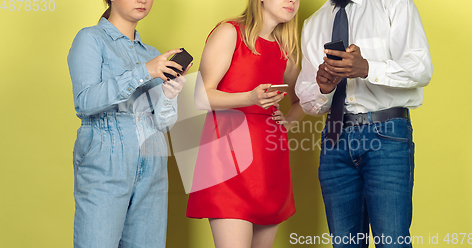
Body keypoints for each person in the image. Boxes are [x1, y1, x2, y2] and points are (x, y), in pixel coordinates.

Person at [295, 0, 433, 247]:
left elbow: (421, 68)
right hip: (335, 139)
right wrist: (324, 89)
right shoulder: (313, 23)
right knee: (344, 243)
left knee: (392, 241)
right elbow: (307, 101)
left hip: (386, 134)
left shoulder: (393, 4)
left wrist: (367, 67)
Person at [67, 0, 191, 247]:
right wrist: (144, 72)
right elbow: (85, 102)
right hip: (107, 161)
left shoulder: (152, 54)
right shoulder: (90, 39)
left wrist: (169, 95)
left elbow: (162, 123)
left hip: (153, 163)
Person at [186, 0, 304, 247]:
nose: (292, 0)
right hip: (226, 161)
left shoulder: (287, 49)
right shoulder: (229, 32)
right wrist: (249, 98)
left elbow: (302, 100)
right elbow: (200, 96)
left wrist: (288, 122)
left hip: (270, 162)